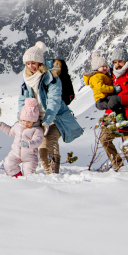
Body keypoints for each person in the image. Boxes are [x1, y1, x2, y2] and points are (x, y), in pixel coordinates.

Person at [17, 41, 84, 174]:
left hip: (56, 117)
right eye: (28, 63)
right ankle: (49, 175)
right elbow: (22, 99)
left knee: (51, 140)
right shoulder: (27, 78)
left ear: (39, 62)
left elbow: (54, 101)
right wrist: (22, 116)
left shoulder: (51, 77)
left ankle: (54, 173)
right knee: (41, 149)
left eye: (33, 63)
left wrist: (47, 121)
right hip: (38, 120)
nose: (31, 66)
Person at [0, 98, 46, 177]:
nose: (25, 123)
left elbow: (37, 141)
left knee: (29, 173)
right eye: (24, 120)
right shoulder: (18, 125)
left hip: (30, 156)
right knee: (8, 163)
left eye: (29, 122)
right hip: (15, 153)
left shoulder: (37, 130)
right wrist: (1, 126)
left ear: (34, 121)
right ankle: (17, 176)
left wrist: (28, 144)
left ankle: (27, 180)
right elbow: (10, 131)